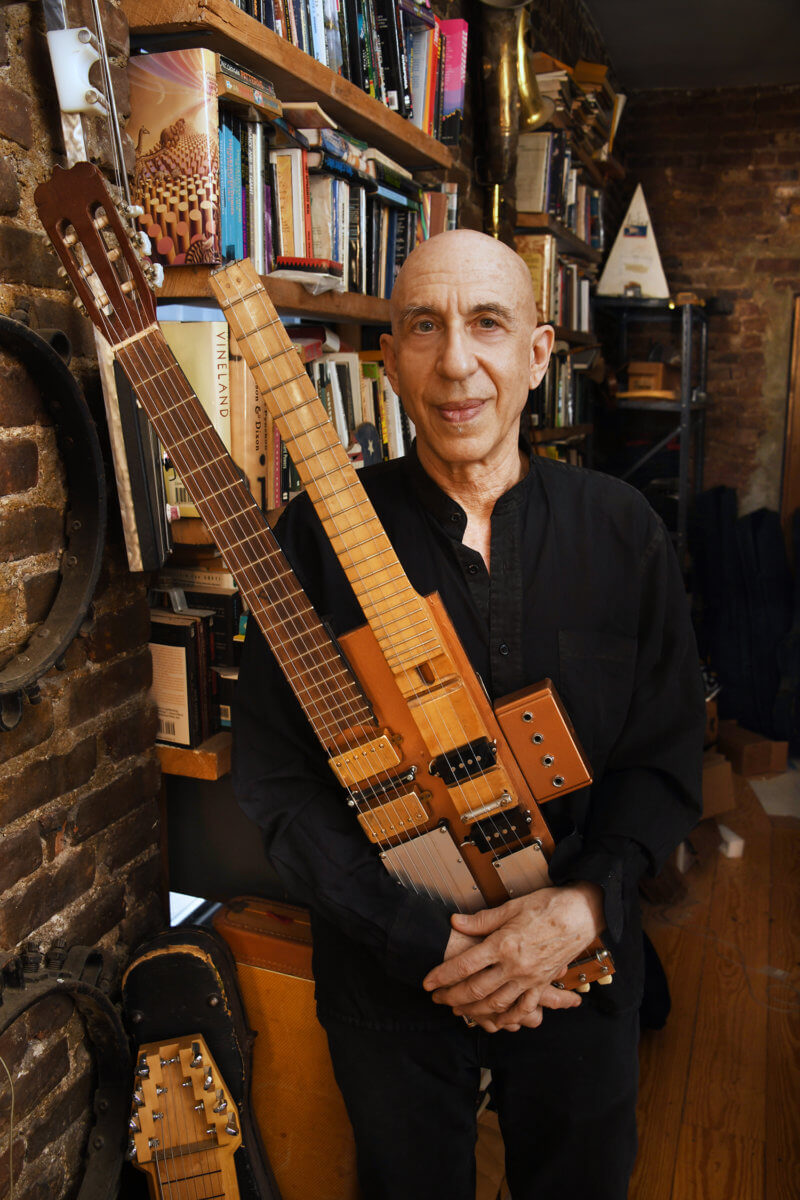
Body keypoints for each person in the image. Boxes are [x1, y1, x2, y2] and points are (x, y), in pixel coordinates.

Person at [233, 229, 705, 1200]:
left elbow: (661, 760)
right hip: (391, 975)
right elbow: (279, 781)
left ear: (537, 353)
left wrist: (582, 905)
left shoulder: (622, 531)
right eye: (423, 327)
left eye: (487, 323)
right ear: (389, 357)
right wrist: (421, 939)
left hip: (575, 962)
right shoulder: (315, 535)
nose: (455, 363)